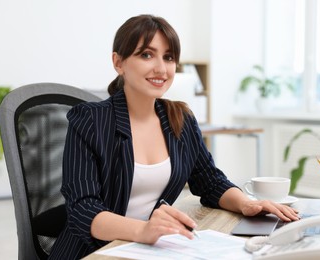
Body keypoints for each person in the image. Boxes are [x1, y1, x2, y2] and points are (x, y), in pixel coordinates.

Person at [49, 14, 299, 259]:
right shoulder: (90, 119)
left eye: (168, 57)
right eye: (147, 54)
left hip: (150, 249)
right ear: (119, 62)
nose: (161, 68)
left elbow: (209, 181)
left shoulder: (179, 118)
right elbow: (83, 209)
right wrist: (144, 230)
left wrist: (247, 204)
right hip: (93, 251)